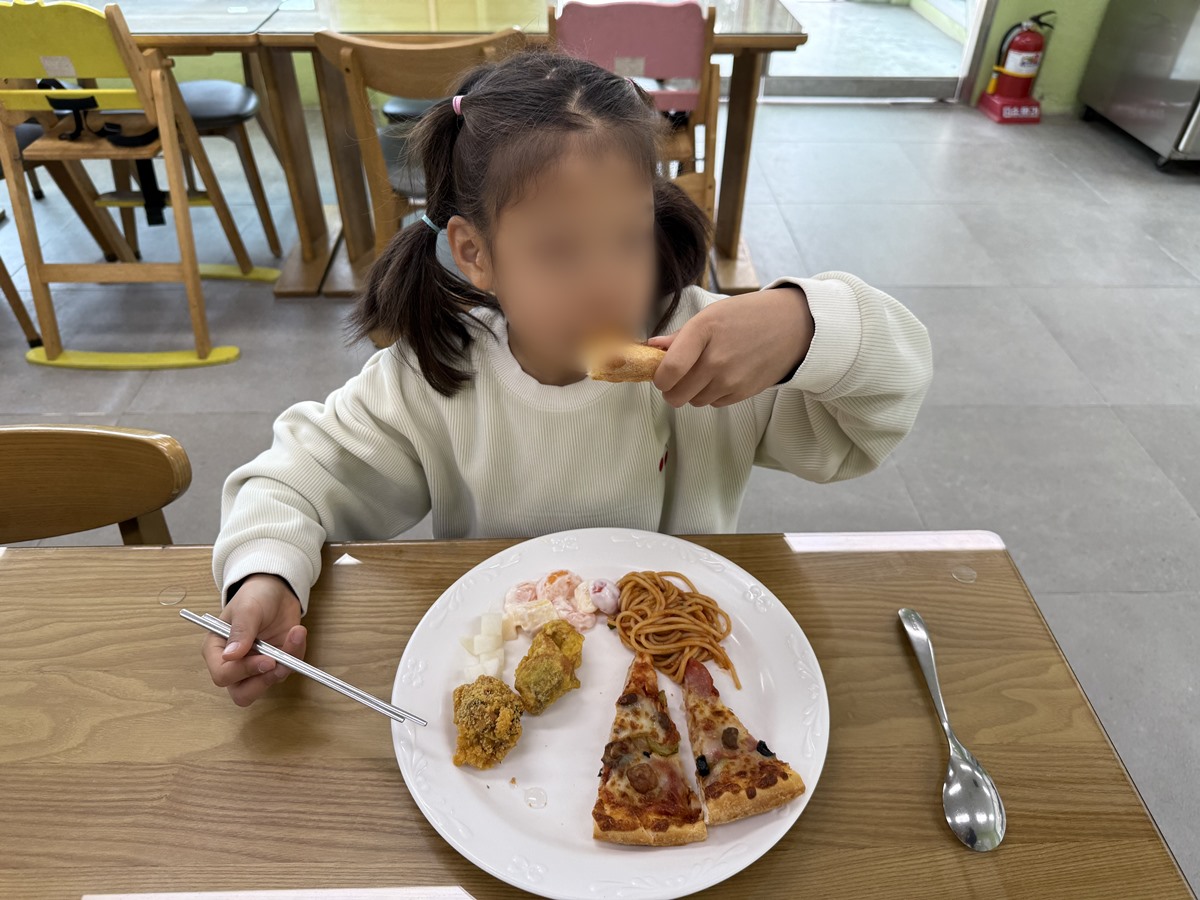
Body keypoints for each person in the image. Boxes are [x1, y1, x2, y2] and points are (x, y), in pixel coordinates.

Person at [203, 51, 932, 706]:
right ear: (476, 253)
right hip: (506, 686)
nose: (605, 285)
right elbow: (292, 483)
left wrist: (805, 327)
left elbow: (880, 408)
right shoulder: (436, 375)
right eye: (558, 250)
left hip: (694, 674)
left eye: (628, 237)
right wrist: (265, 576)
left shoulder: (712, 353)